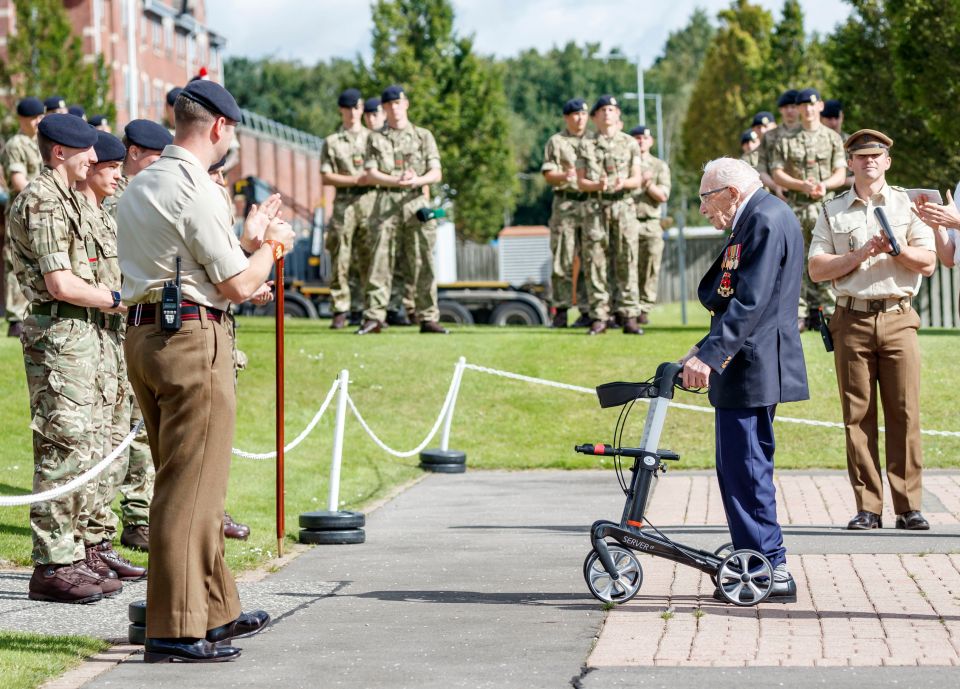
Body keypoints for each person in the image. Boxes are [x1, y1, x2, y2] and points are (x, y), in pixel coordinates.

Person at [118, 79, 290, 662]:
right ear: (218, 127)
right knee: (188, 490)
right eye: (232, 131)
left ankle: (215, 614)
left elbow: (188, 258)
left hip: (145, 333)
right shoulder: (197, 189)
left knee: (194, 481)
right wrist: (271, 244)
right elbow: (236, 284)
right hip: (191, 338)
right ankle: (174, 629)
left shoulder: (139, 184)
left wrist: (243, 241)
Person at [7, 114, 123, 604]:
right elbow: (60, 283)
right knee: (64, 446)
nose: (94, 160)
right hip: (61, 332)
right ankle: (52, 565)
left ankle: (74, 552)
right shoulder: (41, 201)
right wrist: (119, 299)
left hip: (86, 333)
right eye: (86, 153)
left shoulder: (72, 199)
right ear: (60, 153)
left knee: (90, 446)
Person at [681, 157, 808, 603]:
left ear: (731, 193)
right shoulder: (759, 215)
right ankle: (756, 558)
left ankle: (768, 566)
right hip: (747, 358)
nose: (702, 209)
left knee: (747, 468)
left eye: (705, 198)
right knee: (740, 467)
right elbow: (739, 298)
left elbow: (752, 302)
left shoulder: (765, 218)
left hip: (750, 362)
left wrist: (713, 356)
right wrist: (702, 347)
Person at [809, 129, 936, 531]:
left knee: (904, 413)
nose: (868, 162)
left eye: (875, 156)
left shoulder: (907, 205)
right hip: (851, 319)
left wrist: (897, 250)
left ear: (887, 161)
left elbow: (929, 262)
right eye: (860, 156)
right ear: (849, 163)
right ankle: (868, 507)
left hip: (899, 317)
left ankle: (908, 506)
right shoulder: (833, 210)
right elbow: (817, 268)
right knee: (857, 416)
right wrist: (861, 252)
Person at [74, 131, 148, 582]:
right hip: (82, 336)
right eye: (111, 168)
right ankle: (79, 547)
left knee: (113, 443)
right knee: (84, 446)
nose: (118, 177)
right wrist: (118, 297)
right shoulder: (69, 210)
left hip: (111, 336)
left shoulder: (103, 212)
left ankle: (99, 541)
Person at [102, 119, 174, 552]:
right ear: (135, 154)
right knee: (130, 427)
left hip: (139, 316)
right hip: (120, 316)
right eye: (153, 158)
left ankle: (141, 513)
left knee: (143, 427)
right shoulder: (120, 199)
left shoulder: (142, 194)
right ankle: (131, 517)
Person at [357, 85, 445, 335]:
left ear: (406, 104)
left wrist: (417, 179)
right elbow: (371, 172)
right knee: (380, 261)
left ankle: (428, 317)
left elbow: (436, 172)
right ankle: (374, 317)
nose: (394, 108)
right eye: (389, 104)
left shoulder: (423, 136)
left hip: (416, 201)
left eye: (398, 102)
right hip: (386, 202)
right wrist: (396, 179)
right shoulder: (375, 137)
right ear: (384, 109)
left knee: (422, 261)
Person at [770, 87, 847, 328]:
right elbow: (777, 172)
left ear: (820, 106)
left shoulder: (833, 138)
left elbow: (841, 173)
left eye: (812, 104)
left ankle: (830, 311)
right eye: (803, 105)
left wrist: (824, 185)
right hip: (796, 206)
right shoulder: (786, 138)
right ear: (799, 108)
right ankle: (799, 314)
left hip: (826, 208)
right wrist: (800, 185)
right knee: (795, 260)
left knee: (828, 257)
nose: (808, 109)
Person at [576, 95, 644, 335]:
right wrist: (598, 185)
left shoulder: (630, 143)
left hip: (623, 206)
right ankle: (599, 316)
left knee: (627, 259)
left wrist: (622, 183)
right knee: (595, 261)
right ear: (595, 116)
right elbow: (581, 181)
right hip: (595, 207)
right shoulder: (586, 144)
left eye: (612, 109)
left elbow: (637, 179)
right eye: (603, 109)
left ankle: (628, 315)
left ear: (618, 115)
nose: (607, 113)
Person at [320, 89, 375, 330]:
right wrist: (355, 180)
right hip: (344, 203)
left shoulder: (374, 138)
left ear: (362, 109)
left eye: (357, 107)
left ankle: (368, 310)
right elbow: (326, 176)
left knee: (370, 258)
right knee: (340, 257)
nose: (353, 112)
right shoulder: (332, 141)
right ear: (341, 110)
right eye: (349, 108)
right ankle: (340, 309)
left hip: (370, 202)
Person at [541, 98, 591, 328]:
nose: (580, 118)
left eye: (583, 114)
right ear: (566, 117)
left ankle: (587, 310)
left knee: (590, 259)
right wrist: (565, 176)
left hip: (590, 205)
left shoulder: (594, 140)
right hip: (566, 204)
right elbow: (548, 173)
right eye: (575, 114)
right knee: (563, 258)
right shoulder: (557, 141)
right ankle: (560, 310)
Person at [1, 97, 45, 338]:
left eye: (41, 117)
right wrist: (45, 194)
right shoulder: (16, 143)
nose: (38, 121)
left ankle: (30, 310)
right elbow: (18, 181)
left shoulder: (39, 142)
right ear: (22, 119)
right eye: (34, 118)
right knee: (15, 260)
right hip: (20, 211)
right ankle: (15, 319)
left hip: (39, 210)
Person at [629, 124, 671, 325]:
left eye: (644, 138)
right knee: (627, 267)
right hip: (628, 222)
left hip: (651, 223)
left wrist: (647, 184)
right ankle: (628, 308)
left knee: (650, 267)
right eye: (636, 137)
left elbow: (663, 195)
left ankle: (644, 308)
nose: (640, 141)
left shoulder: (659, 166)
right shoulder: (626, 164)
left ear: (651, 141)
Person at [757, 89, 799, 197]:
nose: (789, 111)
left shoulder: (810, 134)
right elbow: (761, 169)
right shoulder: (769, 136)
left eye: (793, 107)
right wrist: (776, 186)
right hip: (778, 195)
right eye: (785, 107)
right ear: (780, 110)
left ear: (799, 108)